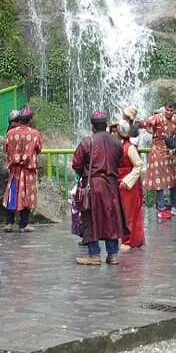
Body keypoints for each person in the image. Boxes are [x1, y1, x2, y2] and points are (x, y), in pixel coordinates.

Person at [71, 111, 127, 265]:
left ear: (93, 126)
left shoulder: (87, 142)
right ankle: (113, 255)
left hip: (93, 186)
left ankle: (94, 255)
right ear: (106, 124)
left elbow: (76, 164)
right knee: (111, 218)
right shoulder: (116, 143)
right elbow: (121, 162)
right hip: (111, 185)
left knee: (91, 218)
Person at [2, 107, 43, 232]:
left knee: (13, 194)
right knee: (27, 195)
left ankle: (9, 223)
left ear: (19, 120)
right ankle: (24, 224)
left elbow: (5, 147)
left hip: (15, 169)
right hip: (28, 170)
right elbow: (39, 148)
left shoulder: (10, 133)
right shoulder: (35, 134)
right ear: (30, 120)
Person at [143, 101, 176, 221]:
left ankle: (175, 206)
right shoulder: (157, 117)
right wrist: (149, 130)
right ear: (164, 109)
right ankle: (161, 208)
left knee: (173, 179)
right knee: (159, 180)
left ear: (174, 111)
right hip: (157, 151)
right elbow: (146, 123)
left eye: (171, 110)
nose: (169, 112)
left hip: (170, 150)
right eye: (167, 110)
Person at [116, 119, 145, 250]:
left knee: (129, 213)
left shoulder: (130, 147)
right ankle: (128, 239)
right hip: (120, 183)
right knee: (123, 212)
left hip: (128, 185)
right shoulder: (119, 146)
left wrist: (128, 181)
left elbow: (138, 165)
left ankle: (130, 240)